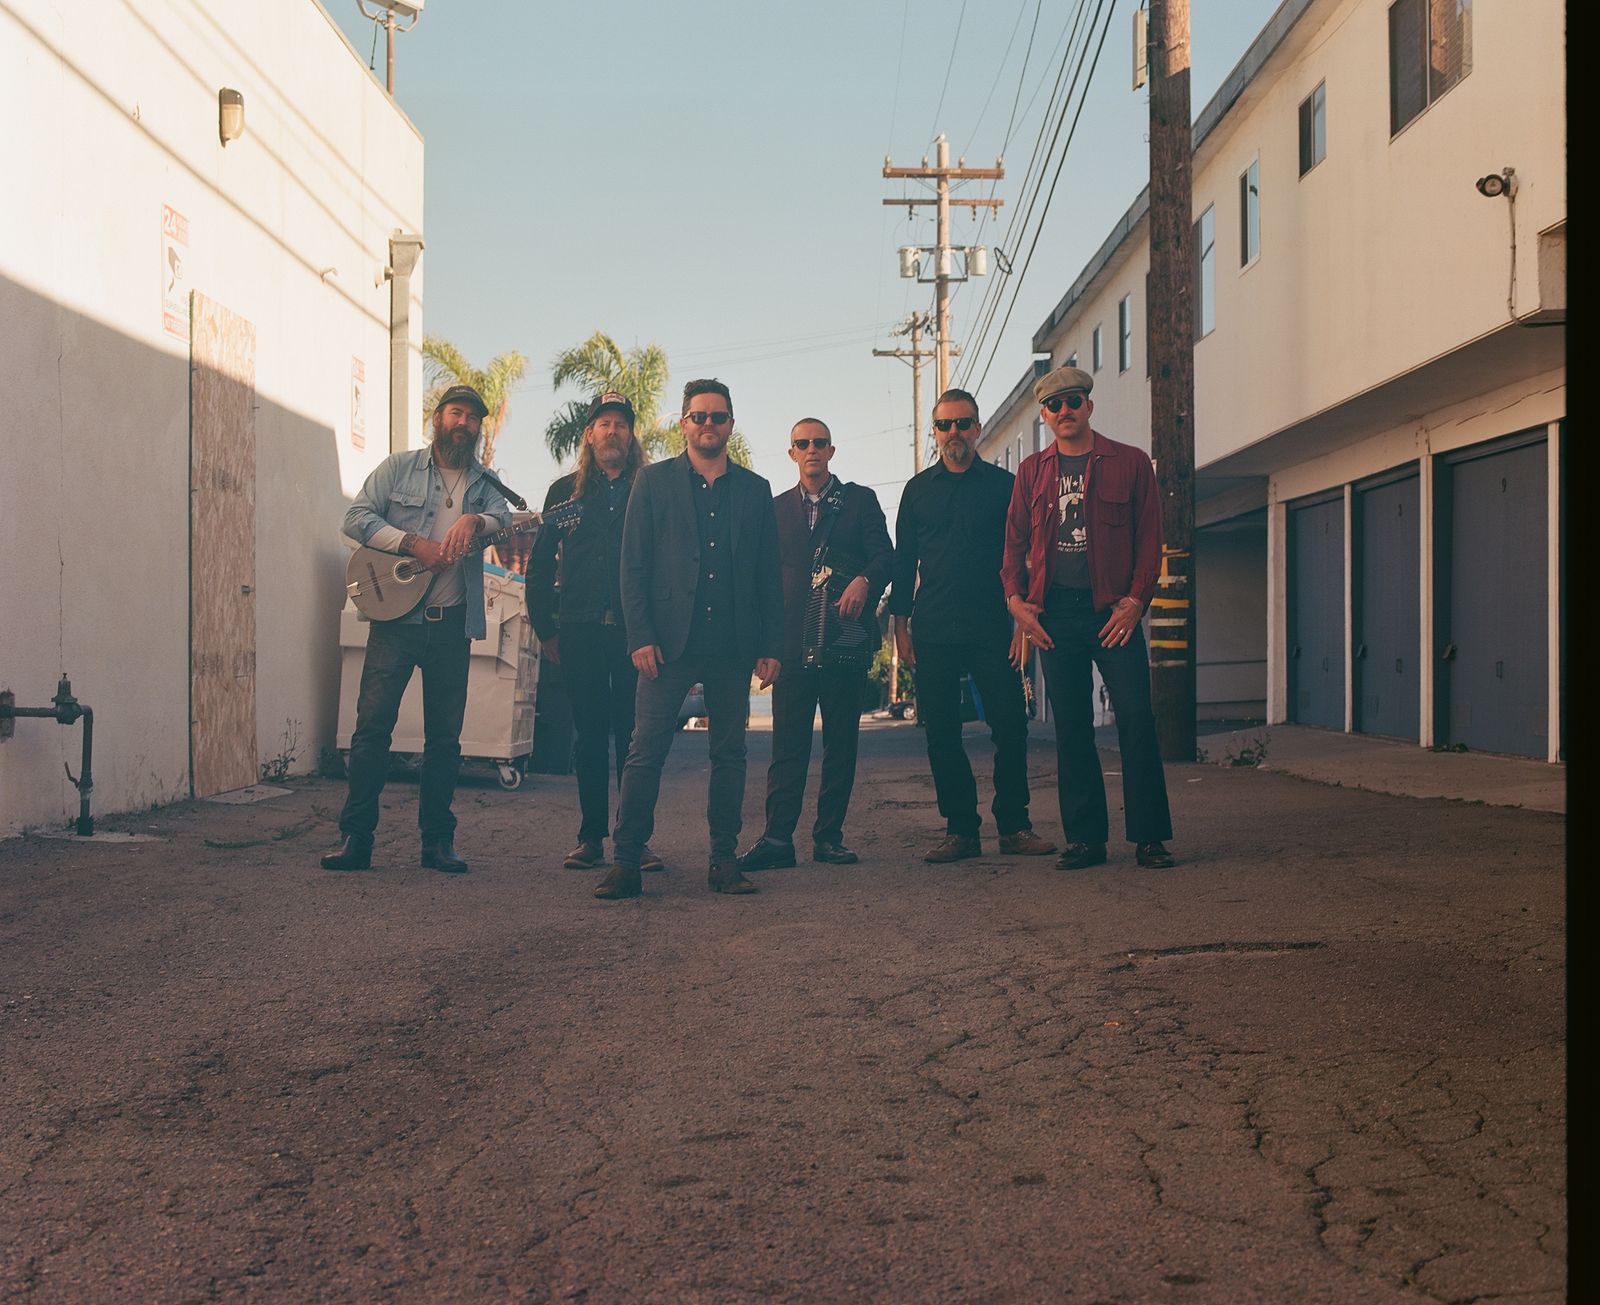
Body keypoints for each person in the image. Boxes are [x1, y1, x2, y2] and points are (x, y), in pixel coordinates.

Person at [593, 379, 784, 900]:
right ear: (684, 424)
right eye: (699, 416)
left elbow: (769, 575)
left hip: (732, 645)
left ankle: (724, 860)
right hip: (666, 645)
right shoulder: (652, 482)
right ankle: (625, 862)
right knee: (645, 752)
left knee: (730, 755)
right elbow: (633, 566)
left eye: (718, 417)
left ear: (730, 425)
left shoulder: (755, 490)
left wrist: (771, 645)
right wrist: (640, 637)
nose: (708, 424)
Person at [321, 384, 513, 874]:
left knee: (445, 740)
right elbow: (355, 518)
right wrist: (412, 544)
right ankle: (356, 839)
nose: (464, 423)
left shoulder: (486, 482)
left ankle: (437, 843)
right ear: (438, 417)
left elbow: (504, 519)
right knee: (371, 730)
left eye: (473, 417)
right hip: (396, 622)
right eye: (456, 413)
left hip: (451, 625)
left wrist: (475, 520)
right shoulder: (398, 468)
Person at [1002, 364, 1176, 870]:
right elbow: (1013, 545)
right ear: (1045, 415)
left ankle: (1149, 838)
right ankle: (1085, 840)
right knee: (1072, 727)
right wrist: (1016, 602)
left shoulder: (1130, 462)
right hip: (1055, 614)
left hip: (1113, 613)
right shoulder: (1031, 472)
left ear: (1089, 406)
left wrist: (1137, 601)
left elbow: (1150, 540)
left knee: (1137, 719)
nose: (1065, 411)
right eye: (1054, 405)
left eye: (1073, 401)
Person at [888, 389, 1056, 864]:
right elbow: (904, 562)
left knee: (1011, 725)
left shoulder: (1005, 487)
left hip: (993, 626)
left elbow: (1024, 556)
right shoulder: (917, 491)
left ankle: (1015, 826)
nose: (954, 433)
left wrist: (1022, 620)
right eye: (944, 425)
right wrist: (900, 627)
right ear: (935, 433)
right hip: (934, 627)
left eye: (963, 423)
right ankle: (960, 830)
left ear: (978, 429)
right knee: (941, 733)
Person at [736, 419, 894, 872]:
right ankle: (777, 839)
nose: (811, 450)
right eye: (802, 443)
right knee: (787, 748)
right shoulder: (774, 509)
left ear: (831, 451)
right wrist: (761, 646)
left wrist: (865, 581)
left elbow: (886, 556)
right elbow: (758, 580)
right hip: (790, 645)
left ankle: (829, 838)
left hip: (844, 641)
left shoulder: (860, 501)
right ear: (792, 453)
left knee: (841, 745)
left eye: (819, 443)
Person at [526, 391, 663, 875]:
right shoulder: (565, 492)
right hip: (579, 630)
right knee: (587, 738)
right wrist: (545, 627)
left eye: (621, 424)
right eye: (604, 423)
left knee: (633, 737)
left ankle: (635, 839)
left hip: (633, 634)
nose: (612, 431)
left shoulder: (649, 487)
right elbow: (540, 563)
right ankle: (590, 837)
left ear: (631, 435)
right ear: (589, 435)